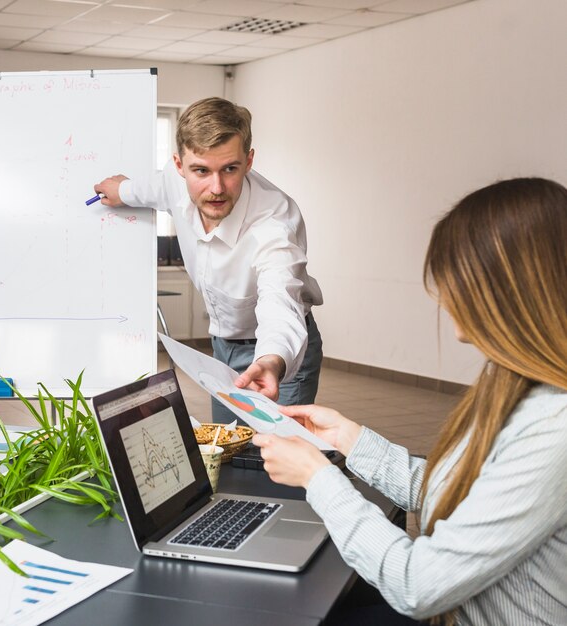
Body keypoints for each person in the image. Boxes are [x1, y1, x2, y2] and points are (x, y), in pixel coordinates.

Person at [253, 177, 567, 626]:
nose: (447, 306)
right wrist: (348, 437)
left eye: (456, 286)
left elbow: (416, 586)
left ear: (507, 292)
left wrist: (318, 478)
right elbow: (457, 488)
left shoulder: (554, 429)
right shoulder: (515, 383)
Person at [94, 97, 323, 423]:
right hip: (221, 351)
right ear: (179, 165)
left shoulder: (276, 219)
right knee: (227, 450)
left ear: (249, 160)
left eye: (230, 169)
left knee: (277, 458)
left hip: (278, 355)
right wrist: (123, 191)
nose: (216, 188)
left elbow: (280, 298)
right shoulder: (174, 182)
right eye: (200, 170)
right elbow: (154, 188)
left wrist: (271, 360)